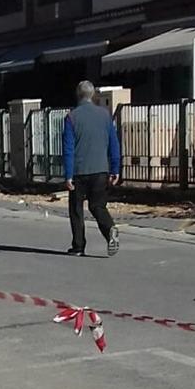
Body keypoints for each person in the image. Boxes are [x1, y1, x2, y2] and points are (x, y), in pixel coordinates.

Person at [62, 81, 121, 257]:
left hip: (79, 171)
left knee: (76, 209)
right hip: (101, 170)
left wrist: (68, 175)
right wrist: (115, 168)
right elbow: (114, 144)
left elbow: (68, 149)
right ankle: (109, 229)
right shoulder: (105, 116)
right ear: (93, 95)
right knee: (98, 206)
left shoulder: (72, 117)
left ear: (78, 95)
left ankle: (78, 246)